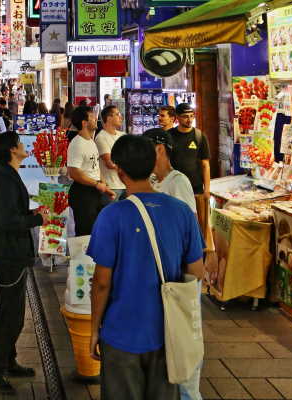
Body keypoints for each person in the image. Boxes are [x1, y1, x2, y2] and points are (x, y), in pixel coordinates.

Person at [87, 136, 204, 400]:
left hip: (121, 333)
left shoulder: (111, 216)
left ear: (119, 170)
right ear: (153, 164)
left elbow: (102, 282)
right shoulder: (182, 212)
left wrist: (94, 330)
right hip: (168, 332)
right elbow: (197, 271)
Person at [0, 133, 43, 394]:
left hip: (11, 253)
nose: (23, 145)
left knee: (14, 312)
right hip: (7, 255)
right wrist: (35, 220)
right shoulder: (5, 179)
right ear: (11, 151)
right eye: (19, 143)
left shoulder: (6, 175)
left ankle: (8, 360)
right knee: (9, 314)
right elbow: (7, 222)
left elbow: (9, 214)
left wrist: (31, 214)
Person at [66, 106, 115, 238]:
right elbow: (74, 172)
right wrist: (96, 184)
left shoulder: (91, 141)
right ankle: (83, 258)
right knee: (85, 234)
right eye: (93, 118)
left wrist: (104, 185)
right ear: (84, 123)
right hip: (83, 193)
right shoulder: (77, 143)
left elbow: (94, 167)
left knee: (97, 232)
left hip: (94, 191)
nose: (96, 120)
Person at [171, 103, 211, 240]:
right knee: (177, 227)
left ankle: (199, 255)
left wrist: (207, 189)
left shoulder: (199, 136)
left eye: (191, 116)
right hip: (174, 190)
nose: (189, 119)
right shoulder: (169, 136)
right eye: (185, 117)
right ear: (177, 118)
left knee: (198, 228)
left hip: (196, 189)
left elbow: (205, 164)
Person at [95, 105, 127, 201]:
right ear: (108, 118)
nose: (121, 117)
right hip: (111, 186)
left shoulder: (123, 135)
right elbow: (109, 163)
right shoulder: (101, 137)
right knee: (113, 215)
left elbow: (131, 156)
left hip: (125, 184)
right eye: (117, 114)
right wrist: (128, 167)